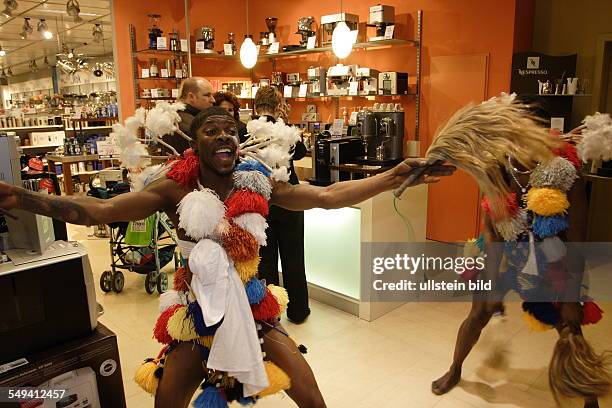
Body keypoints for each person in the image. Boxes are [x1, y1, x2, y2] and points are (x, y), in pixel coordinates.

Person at [0, 106, 454, 408]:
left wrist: (396, 175)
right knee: (167, 402)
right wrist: (21, 198)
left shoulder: (256, 183)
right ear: (195, 142)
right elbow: (100, 209)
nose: (224, 137)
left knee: (311, 395)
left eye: (231, 132)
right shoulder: (173, 188)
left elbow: (329, 195)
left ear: (239, 143)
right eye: (212, 130)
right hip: (197, 318)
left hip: (254, 311)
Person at [426, 95, 609, 408]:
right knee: (478, 314)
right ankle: (455, 369)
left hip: (552, 258)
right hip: (504, 250)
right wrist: (494, 277)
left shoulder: (565, 174)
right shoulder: (497, 169)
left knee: (568, 323)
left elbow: (577, 239)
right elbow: (490, 225)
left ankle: (586, 389)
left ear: (542, 135)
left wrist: (567, 296)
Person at [253, 85, 311, 323]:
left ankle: (270, 312)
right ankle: (298, 311)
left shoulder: (249, 129)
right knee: (294, 257)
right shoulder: (284, 129)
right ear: (279, 105)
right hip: (289, 200)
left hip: (262, 200)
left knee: (265, 260)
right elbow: (301, 152)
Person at [161, 77, 215, 154]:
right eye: (207, 95)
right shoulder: (189, 122)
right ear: (191, 97)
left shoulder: (178, 117)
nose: (213, 100)